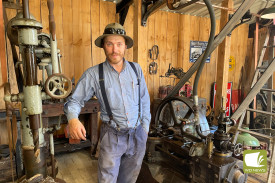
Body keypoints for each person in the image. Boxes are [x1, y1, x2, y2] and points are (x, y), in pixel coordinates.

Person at [64, 22, 151, 183]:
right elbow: (75, 101)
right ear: (103, 46)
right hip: (112, 136)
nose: (114, 49)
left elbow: (144, 100)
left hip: (138, 134)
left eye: (119, 44)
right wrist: (73, 119)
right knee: (107, 179)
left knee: (129, 179)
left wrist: (145, 128)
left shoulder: (136, 69)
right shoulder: (93, 74)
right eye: (110, 44)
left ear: (125, 46)